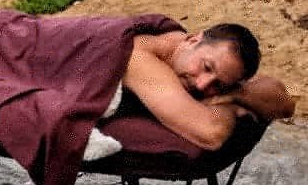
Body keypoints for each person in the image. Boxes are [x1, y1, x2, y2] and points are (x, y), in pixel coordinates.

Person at [124, 22, 295, 150]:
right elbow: (212, 133)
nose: (201, 85)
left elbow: (285, 105)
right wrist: (231, 107)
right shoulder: (138, 56)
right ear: (192, 40)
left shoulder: (203, 58)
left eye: (218, 84)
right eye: (206, 67)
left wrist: (233, 95)